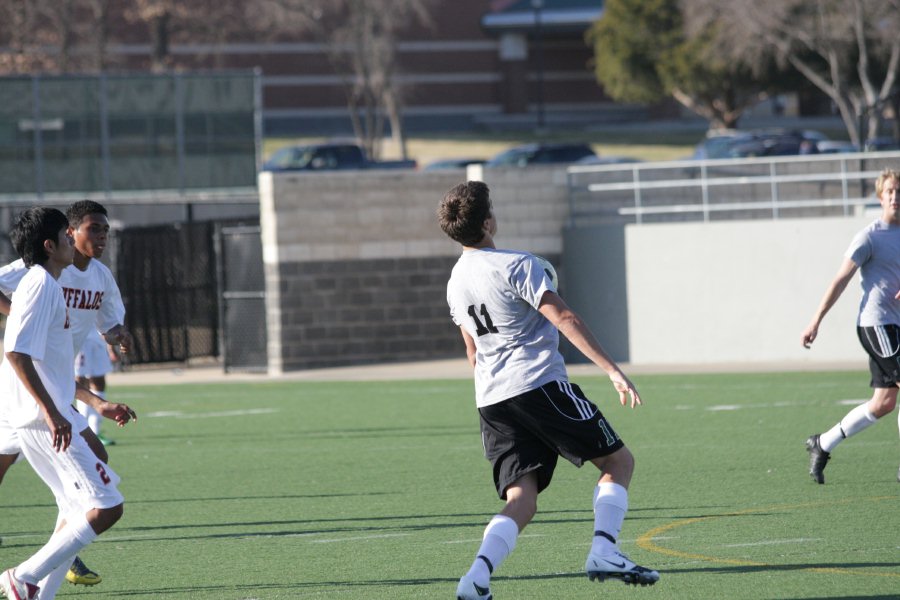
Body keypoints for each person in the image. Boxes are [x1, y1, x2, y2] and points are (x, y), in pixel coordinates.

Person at [438, 181, 659, 600]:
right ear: (487, 222)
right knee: (618, 460)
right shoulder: (515, 264)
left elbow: (472, 351)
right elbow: (565, 317)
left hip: (492, 399)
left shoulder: (455, 282)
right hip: (536, 384)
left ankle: (475, 579)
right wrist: (612, 369)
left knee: (522, 499)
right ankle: (604, 550)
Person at [0, 207, 136, 600]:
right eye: (67, 235)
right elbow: (17, 353)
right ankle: (21, 577)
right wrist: (52, 412)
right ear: (60, 239)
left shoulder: (62, 282)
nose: (101, 237)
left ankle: (36, 593)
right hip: (38, 410)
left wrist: (95, 401)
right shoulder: (39, 284)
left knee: (78, 504)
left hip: (48, 405)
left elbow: (53, 364)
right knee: (107, 506)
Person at [802, 167, 900, 484]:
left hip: (896, 326)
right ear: (880, 197)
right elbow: (840, 280)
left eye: (899, 192)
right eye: (890, 192)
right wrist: (816, 320)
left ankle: (823, 443)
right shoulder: (869, 236)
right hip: (877, 323)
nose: (895, 198)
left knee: (883, 403)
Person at [74, 329, 118, 447]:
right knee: (80, 381)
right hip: (78, 339)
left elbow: (106, 319)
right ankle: (82, 431)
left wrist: (111, 347)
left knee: (99, 381)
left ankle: (95, 431)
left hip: (98, 341)